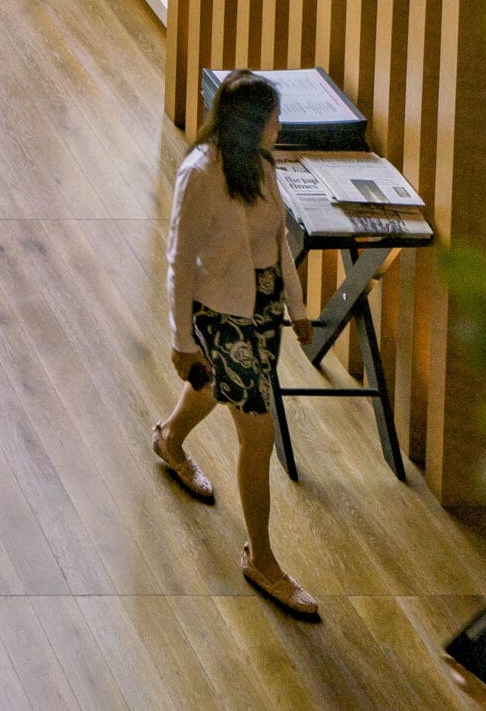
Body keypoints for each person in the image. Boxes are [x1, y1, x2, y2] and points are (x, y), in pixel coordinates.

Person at [155, 70, 319, 620]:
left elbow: (277, 241)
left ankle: (170, 440)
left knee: (217, 391)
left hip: (263, 307)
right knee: (259, 431)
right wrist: (183, 343)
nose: (280, 125)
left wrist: (297, 310)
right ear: (252, 123)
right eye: (273, 117)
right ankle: (263, 559)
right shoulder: (199, 174)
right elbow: (178, 262)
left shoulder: (264, 165)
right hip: (222, 314)